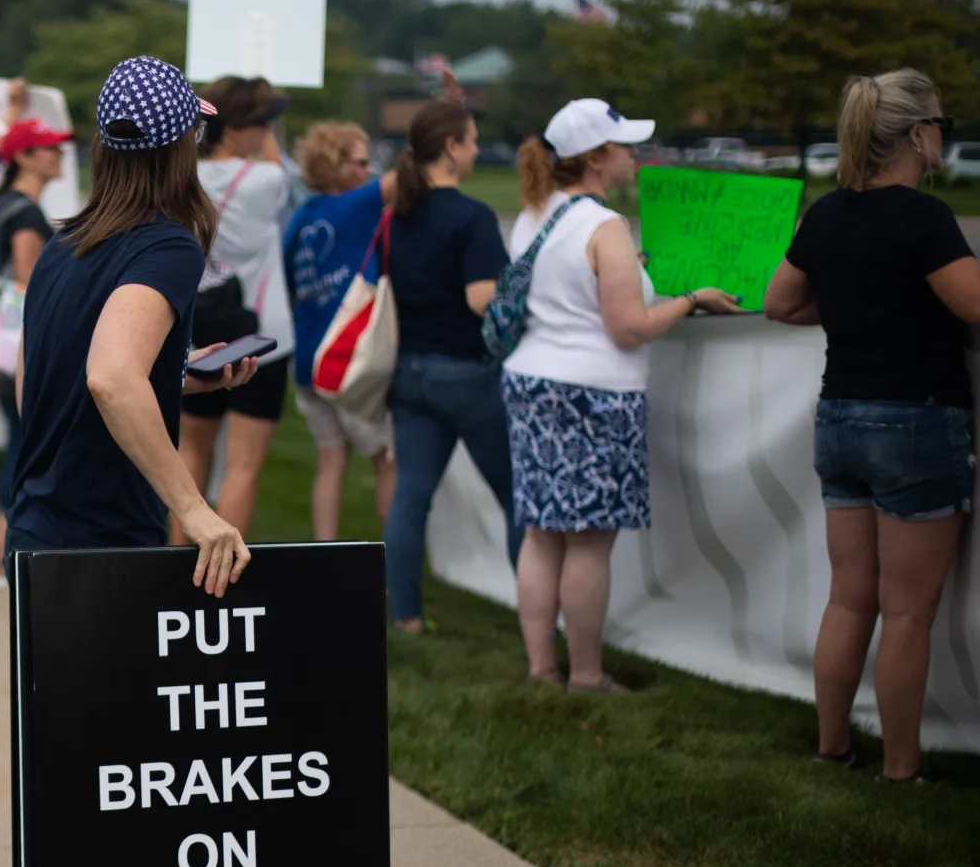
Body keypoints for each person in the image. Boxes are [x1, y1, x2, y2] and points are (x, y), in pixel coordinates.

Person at [763, 68, 980, 783]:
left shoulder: (827, 214)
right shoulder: (925, 218)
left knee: (848, 598)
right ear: (917, 135)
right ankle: (902, 770)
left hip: (840, 420)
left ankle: (831, 749)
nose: (945, 137)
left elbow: (780, 304)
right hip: (915, 422)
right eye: (942, 125)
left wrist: (862, 308)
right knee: (907, 614)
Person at [503, 100, 740, 692]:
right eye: (625, 147)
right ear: (596, 158)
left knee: (541, 534)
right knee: (587, 542)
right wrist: (690, 300)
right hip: (596, 395)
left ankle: (540, 670)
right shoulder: (604, 227)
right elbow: (628, 328)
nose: (635, 157)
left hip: (532, 383)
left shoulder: (534, 214)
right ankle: (585, 675)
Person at [7, 55, 259, 597]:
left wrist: (175, 377)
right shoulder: (168, 245)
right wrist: (193, 509)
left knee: (49, 687)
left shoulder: (63, 243)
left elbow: (38, 384)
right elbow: (112, 377)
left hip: (35, 527)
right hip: (104, 539)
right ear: (181, 148)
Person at [382, 99, 516, 633]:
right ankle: (541, 620)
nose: (479, 148)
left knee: (410, 498)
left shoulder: (399, 216)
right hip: (466, 372)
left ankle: (406, 618)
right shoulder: (473, 217)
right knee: (516, 496)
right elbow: (482, 298)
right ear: (453, 149)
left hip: (408, 372)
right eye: (474, 139)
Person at [175, 76, 297, 541]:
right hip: (262, 336)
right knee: (244, 466)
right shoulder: (268, 178)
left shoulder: (186, 175)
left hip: (200, 329)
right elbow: (275, 161)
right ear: (237, 127)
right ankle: (223, 572)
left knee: (191, 453)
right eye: (262, 121)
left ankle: (174, 554)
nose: (268, 130)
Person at [285, 121, 400, 541]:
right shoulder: (357, 204)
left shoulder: (301, 218)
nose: (370, 171)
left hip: (308, 360)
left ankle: (324, 559)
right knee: (387, 459)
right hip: (347, 359)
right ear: (335, 166)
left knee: (331, 462)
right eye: (360, 161)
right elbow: (411, 176)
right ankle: (392, 564)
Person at [0, 115, 70, 588]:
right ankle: (2, 552)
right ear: (25, 158)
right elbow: (31, 286)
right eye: (49, 148)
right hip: (21, 349)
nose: (60, 155)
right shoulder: (27, 214)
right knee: (24, 448)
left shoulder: (4, 205)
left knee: (19, 444)